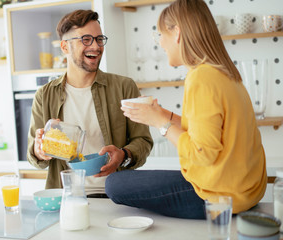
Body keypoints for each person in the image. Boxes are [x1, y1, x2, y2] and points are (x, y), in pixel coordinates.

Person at [105, 0, 267, 218]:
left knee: (114, 184)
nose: (160, 43)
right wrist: (162, 114)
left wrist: (160, 124)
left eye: (160, 34)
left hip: (219, 196)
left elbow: (202, 153)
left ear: (177, 33)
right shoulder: (224, 73)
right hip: (246, 191)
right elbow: (210, 131)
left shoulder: (201, 77)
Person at [26, 10, 153, 197]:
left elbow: (143, 141)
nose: (95, 46)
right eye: (86, 39)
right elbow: (34, 156)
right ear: (65, 47)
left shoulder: (124, 87)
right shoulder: (44, 95)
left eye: (99, 39)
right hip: (66, 196)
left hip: (116, 195)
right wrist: (39, 151)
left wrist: (123, 155)